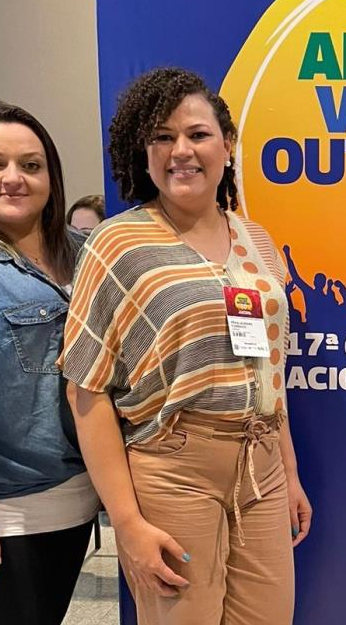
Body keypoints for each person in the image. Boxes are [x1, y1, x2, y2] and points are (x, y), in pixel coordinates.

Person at [59, 67, 311, 625]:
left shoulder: (258, 240)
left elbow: (269, 369)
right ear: (143, 152)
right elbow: (87, 390)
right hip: (174, 469)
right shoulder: (116, 244)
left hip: (263, 466)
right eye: (162, 137)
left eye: (197, 134)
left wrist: (289, 472)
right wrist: (126, 524)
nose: (181, 151)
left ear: (227, 145)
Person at [0, 102, 100, 623]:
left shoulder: (89, 254)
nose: (13, 178)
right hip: (15, 508)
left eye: (30, 165)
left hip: (81, 494)